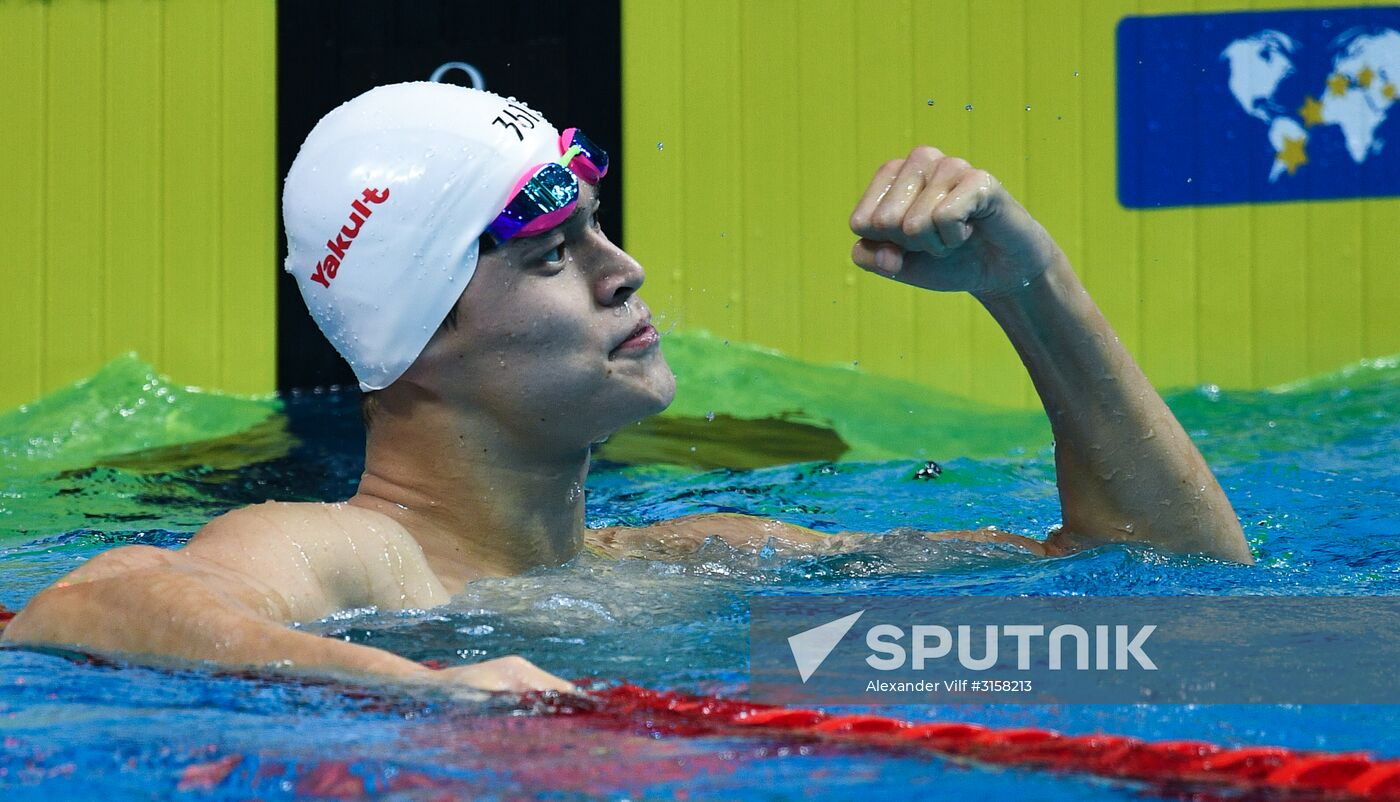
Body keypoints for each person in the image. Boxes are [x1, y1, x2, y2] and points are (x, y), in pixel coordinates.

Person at [2, 83, 1252, 694]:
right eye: (553, 254)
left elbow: (1182, 595)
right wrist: (425, 688)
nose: (623, 268)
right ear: (418, 337)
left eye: (597, 228)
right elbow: (91, 600)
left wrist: (1031, 291)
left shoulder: (704, 556)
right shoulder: (357, 558)